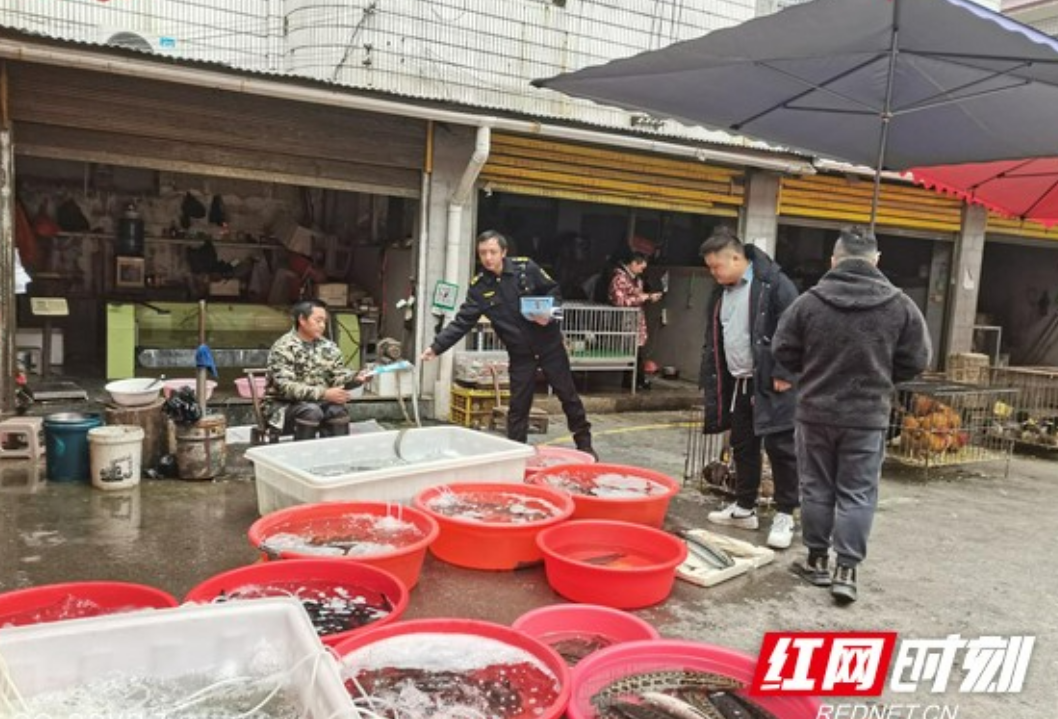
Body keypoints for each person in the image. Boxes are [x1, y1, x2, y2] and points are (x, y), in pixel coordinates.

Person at [772, 227, 931, 604]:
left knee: (816, 487)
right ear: (877, 260)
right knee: (858, 494)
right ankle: (846, 571)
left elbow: (783, 348)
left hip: (815, 411)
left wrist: (811, 370)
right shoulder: (900, 305)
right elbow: (917, 359)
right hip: (867, 415)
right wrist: (883, 377)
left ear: (834, 260)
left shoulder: (809, 302)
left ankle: (815, 561)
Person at [422, 230, 596, 458]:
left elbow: (554, 290)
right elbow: (462, 322)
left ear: (503, 252)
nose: (488, 257)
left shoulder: (527, 269)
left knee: (568, 396)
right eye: (483, 252)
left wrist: (549, 312)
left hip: (549, 346)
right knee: (518, 406)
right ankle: (517, 452)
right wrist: (436, 347)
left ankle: (584, 444)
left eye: (493, 252)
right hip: (520, 354)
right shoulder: (479, 288)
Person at [698, 226, 801, 550]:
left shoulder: (774, 284)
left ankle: (786, 513)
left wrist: (785, 371)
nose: (713, 273)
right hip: (738, 381)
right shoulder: (723, 292)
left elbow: (797, 327)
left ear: (735, 256)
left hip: (772, 382)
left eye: (717, 266)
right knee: (743, 443)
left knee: (781, 448)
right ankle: (745, 507)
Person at [265, 299, 371, 441]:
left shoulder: (328, 346)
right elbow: (285, 387)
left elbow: (336, 376)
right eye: (318, 321)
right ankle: (301, 457)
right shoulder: (283, 347)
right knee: (311, 411)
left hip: (318, 403)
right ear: (302, 319)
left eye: (324, 322)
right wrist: (324, 394)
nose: (322, 326)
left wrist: (356, 378)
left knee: (337, 410)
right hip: (283, 406)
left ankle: (335, 456)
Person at [608, 251, 663, 390]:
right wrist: (643, 298)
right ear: (633, 263)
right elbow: (619, 301)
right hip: (623, 321)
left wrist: (649, 296)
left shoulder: (636, 279)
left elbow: (638, 294)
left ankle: (635, 380)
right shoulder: (619, 278)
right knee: (632, 352)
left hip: (635, 320)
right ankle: (635, 380)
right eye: (641, 267)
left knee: (637, 351)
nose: (642, 271)